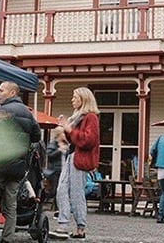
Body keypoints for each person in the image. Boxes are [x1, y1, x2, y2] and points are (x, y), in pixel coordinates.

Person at [49, 87, 100, 240]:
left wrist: (69, 129)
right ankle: (63, 225)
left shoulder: (91, 117)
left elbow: (88, 140)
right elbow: (74, 139)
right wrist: (66, 129)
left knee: (76, 193)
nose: (72, 100)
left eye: (75, 97)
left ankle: (80, 227)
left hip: (79, 159)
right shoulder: (78, 118)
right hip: (71, 157)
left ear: (83, 99)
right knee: (61, 189)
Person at [0, 81, 41, 243]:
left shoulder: (2, 111)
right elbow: (37, 137)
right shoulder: (28, 113)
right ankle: (7, 238)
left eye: (1, 90)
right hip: (17, 166)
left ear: (12, 93)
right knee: (11, 204)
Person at [44, 125, 68, 202]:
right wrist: (59, 150)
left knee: (61, 190)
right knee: (54, 190)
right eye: (63, 133)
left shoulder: (65, 144)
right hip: (54, 171)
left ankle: (58, 207)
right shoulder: (52, 144)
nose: (64, 135)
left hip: (64, 170)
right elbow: (49, 155)